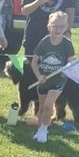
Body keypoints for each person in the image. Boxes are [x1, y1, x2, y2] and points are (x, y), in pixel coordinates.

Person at [19, 0, 76, 123]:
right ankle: (37, 112)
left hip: (57, 38)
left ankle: (53, 111)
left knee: (53, 74)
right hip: (34, 36)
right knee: (35, 75)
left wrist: (67, 31)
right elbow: (23, 10)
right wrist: (38, 1)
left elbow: (71, 9)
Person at [31, 11, 76, 143]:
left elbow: (70, 62)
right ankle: (40, 130)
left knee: (49, 104)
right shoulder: (44, 42)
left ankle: (44, 131)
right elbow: (34, 62)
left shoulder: (67, 44)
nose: (58, 29)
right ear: (49, 26)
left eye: (62, 26)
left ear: (66, 27)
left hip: (58, 80)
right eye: (55, 26)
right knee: (42, 107)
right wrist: (39, 76)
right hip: (44, 79)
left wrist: (66, 70)